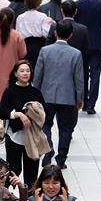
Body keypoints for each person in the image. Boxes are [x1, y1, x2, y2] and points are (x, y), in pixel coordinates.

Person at [34, 20, 84, 169]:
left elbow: (38, 75)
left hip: (46, 95)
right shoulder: (76, 54)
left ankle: (48, 146)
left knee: (45, 124)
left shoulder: (45, 51)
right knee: (66, 128)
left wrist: (35, 92)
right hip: (68, 97)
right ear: (70, 35)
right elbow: (79, 79)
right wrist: (79, 98)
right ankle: (61, 159)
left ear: (55, 33)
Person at [0, 60, 46, 188]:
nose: (25, 73)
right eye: (22, 71)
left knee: (31, 172)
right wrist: (17, 114)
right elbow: (2, 112)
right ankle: (3, 197)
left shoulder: (36, 92)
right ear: (15, 73)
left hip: (32, 137)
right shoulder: (9, 91)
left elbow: (44, 113)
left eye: (28, 71)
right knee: (13, 169)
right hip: (14, 136)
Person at [0, 7, 27, 141]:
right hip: (12, 73)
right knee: (10, 101)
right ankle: (7, 126)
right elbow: (23, 53)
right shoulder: (17, 36)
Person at [15, 0, 54, 68]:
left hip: (25, 44)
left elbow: (18, 33)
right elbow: (45, 33)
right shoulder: (43, 16)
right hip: (39, 44)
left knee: (27, 68)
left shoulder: (20, 17)